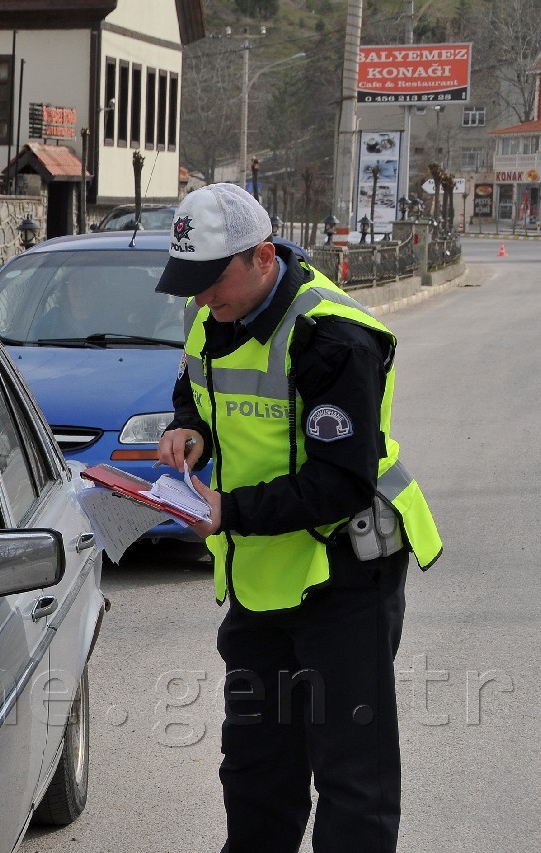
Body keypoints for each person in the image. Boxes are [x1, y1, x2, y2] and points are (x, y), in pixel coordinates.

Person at [154, 182, 442, 853]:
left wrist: (228, 510)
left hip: (347, 576)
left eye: (212, 281)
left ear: (263, 257)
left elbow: (341, 483)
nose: (202, 299)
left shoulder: (334, 336)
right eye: (191, 285)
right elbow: (195, 390)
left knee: (353, 778)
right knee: (256, 767)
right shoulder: (212, 314)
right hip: (262, 577)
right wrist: (189, 430)